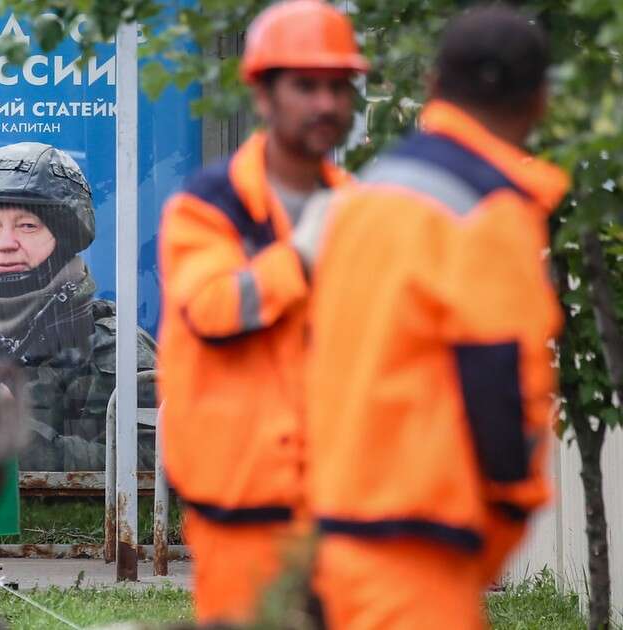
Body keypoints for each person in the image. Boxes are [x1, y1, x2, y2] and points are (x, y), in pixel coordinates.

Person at [305, 7, 567, 629]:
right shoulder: (491, 217)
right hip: (425, 549)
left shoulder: (360, 201)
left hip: (335, 535)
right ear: (540, 103)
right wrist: (502, 522)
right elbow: (502, 391)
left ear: (430, 86)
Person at [156, 0, 368, 623]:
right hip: (243, 505)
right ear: (263, 94)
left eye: (338, 87)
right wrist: (299, 258)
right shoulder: (209, 207)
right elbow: (215, 308)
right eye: (305, 85)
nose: (326, 104)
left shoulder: (356, 208)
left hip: (341, 499)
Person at [0, 142, 158, 472]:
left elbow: (158, 470)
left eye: (27, 226)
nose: (4, 244)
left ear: (64, 236)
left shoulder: (114, 349)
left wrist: (20, 441)